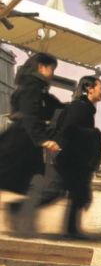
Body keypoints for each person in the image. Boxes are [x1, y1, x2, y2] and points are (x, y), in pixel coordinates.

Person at [12, 75, 101, 238]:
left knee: (78, 193)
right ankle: (18, 208)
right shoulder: (80, 107)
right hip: (65, 159)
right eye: (100, 88)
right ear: (90, 89)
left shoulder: (85, 108)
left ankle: (71, 230)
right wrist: (94, 134)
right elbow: (69, 129)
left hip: (73, 160)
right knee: (52, 192)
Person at [0, 53, 63, 217]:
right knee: (20, 178)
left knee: (25, 180)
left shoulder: (37, 88)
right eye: (51, 69)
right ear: (42, 67)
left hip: (24, 140)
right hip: (20, 140)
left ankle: (16, 212)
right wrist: (42, 139)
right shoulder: (32, 87)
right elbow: (30, 115)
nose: (52, 73)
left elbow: (51, 107)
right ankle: (16, 212)